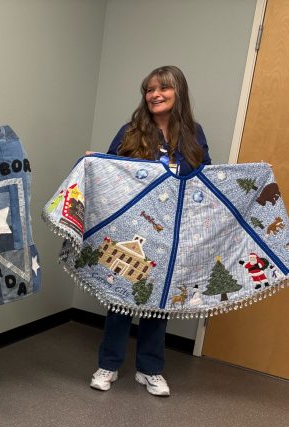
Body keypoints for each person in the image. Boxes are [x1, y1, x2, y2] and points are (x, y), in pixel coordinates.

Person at [89, 65, 210, 397]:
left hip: (171, 232)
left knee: (159, 301)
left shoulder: (193, 133)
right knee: (121, 300)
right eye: (149, 89)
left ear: (178, 92)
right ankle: (109, 365)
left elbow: (205, 178)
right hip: (132, 230)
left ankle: (150, 369)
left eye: (163, 88)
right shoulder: (131, 131)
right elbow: (112, 169)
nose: (155, 94)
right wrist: (95, 162)